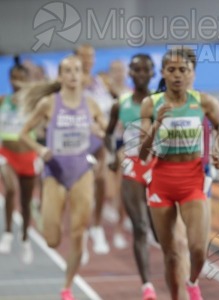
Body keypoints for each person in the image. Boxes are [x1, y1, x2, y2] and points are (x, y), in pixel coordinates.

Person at [139, 48, 219, 300]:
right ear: (163, 73)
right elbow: (141, 154)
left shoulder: (204, 102)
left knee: (198, 249)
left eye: (184, 70)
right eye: (171, 70)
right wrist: (157, 124)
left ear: (193, 73)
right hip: (161, 179)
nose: (177, 75)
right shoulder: (151, 104)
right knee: (170, 254)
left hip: (192, 179)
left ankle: (192, 282)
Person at [19, 55, 106, 300]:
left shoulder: (91, 104)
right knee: (52, 240)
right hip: (55, 171)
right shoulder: (48, 104)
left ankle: (67, 287)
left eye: (77, 70)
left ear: (83, 75)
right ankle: (42, 212)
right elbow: (24, 133)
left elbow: (104, 132)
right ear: (60, 76)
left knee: (78, 232)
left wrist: (99, 136)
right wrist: (41, 150)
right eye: (67, 70)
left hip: (81, 171)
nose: (73, 75)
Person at [105, 53, 157, 300]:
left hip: (157, 166)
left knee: (158, 231)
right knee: (139, 226)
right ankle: (147, 285)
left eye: (145, 70)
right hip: (131, 166)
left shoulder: (160, 102)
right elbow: (108, 133)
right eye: (136, 70)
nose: (141, 74)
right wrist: (113, 153)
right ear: (130, 74)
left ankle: (174, 269)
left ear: (153, 73)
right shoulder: (121, 103)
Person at [0, 56, 40, 264]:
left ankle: (25, 239)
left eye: (20, 78)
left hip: (28, 155)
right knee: (11, 189)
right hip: (6, 154)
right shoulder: (2, 100)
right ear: (9, 78)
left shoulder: (35, 104)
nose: (16, 82)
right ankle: (7, 234)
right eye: (13, 78)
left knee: (25, 202)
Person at [75, 43, 114, 255]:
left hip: (99, 142)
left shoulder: (99, 81)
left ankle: (97, 227)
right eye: (84, 56)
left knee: (101, 183)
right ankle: (80, 235)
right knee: (81, 192)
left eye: (91, 56)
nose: (88, 60)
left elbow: (110, 105)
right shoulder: (73, 82)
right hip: (78, 143)